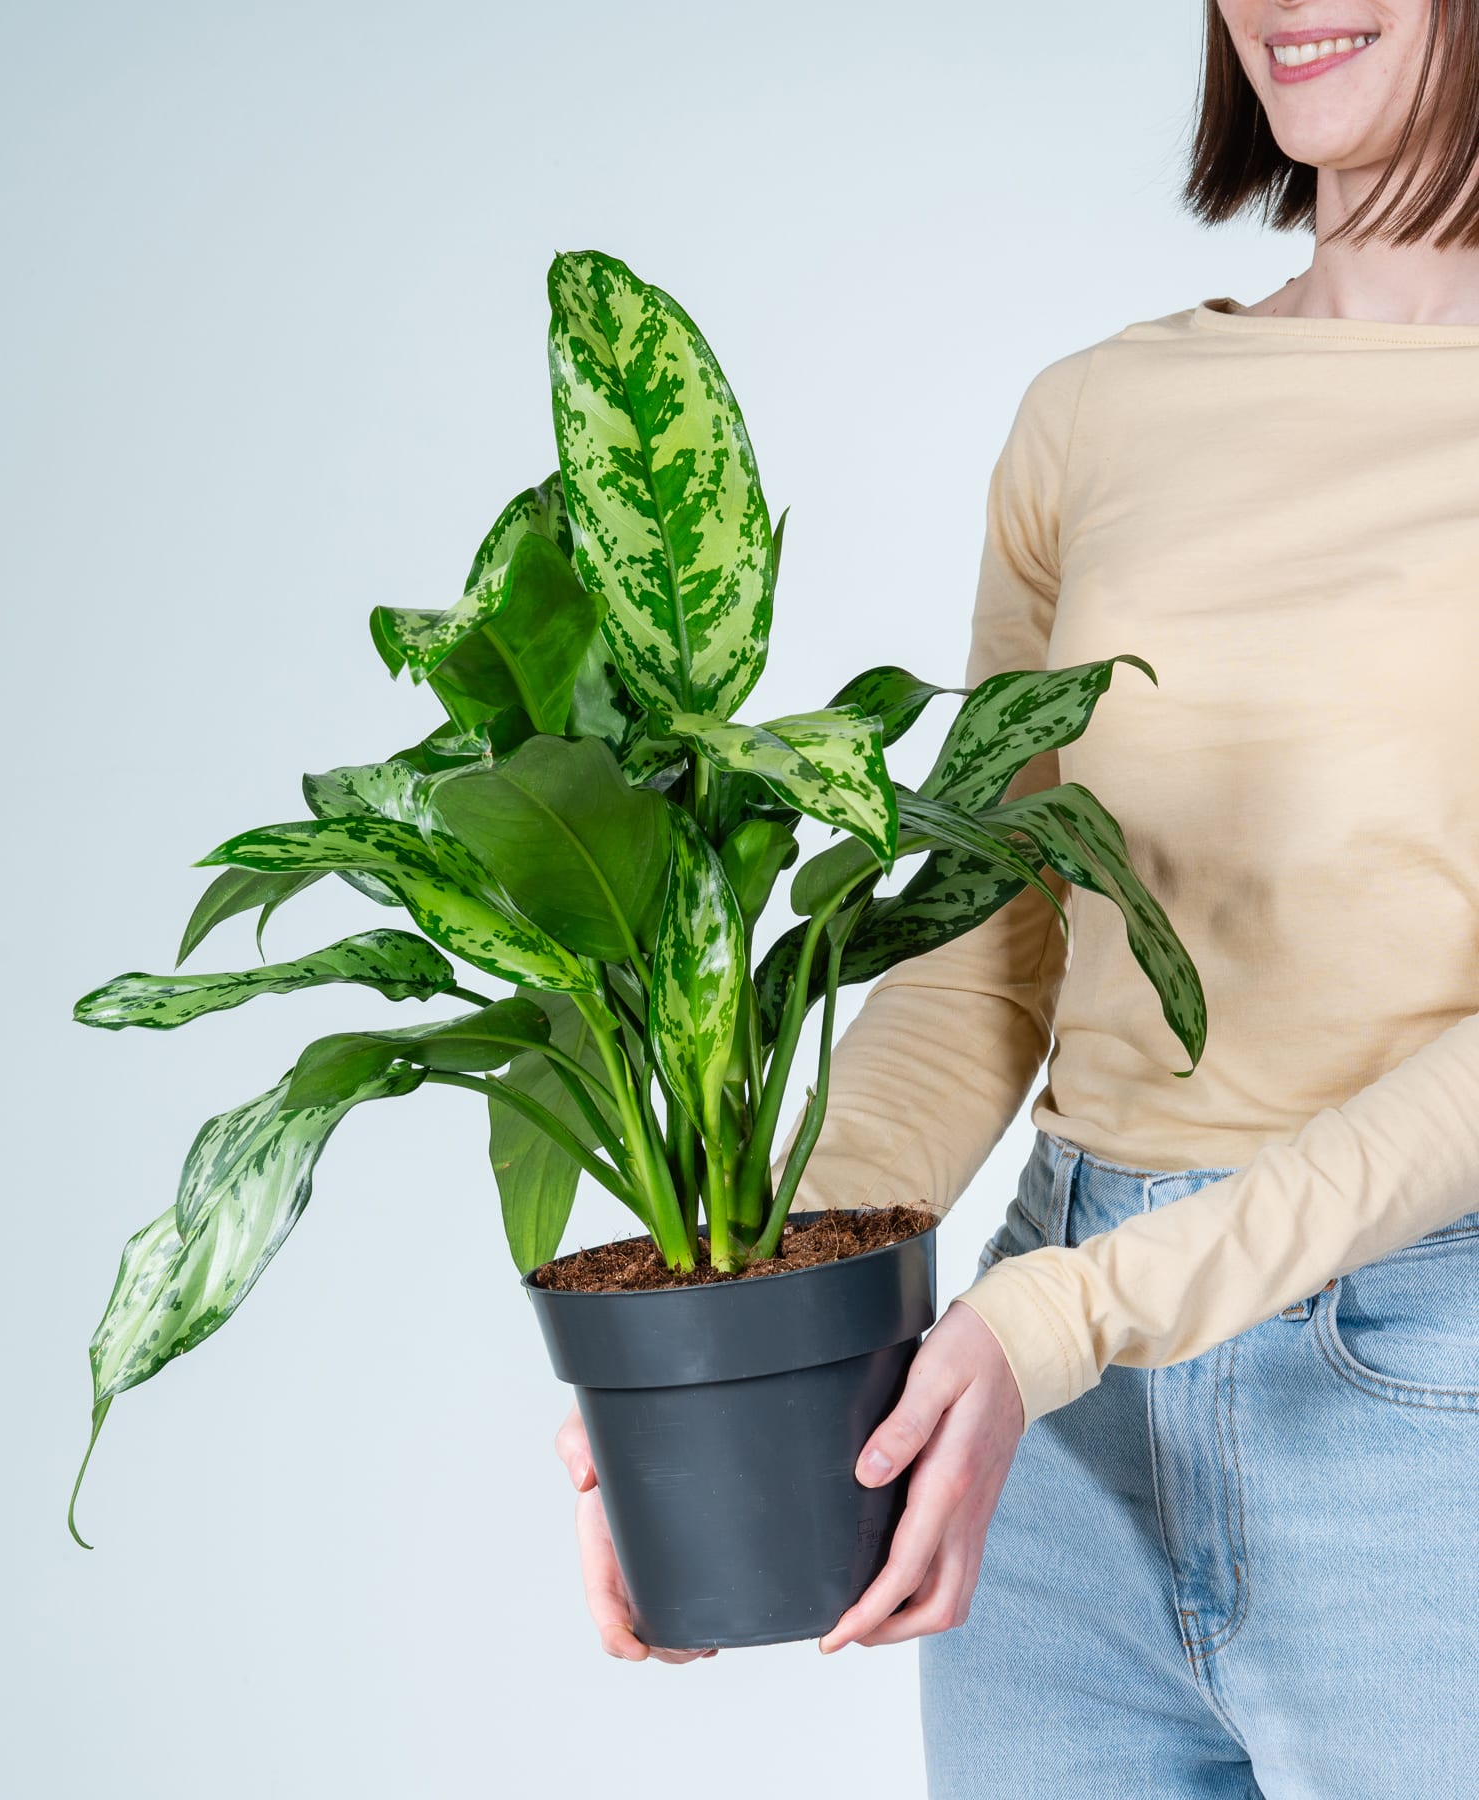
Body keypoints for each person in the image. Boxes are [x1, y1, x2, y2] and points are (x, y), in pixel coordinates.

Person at [554, 3, 1479, 1790]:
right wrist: (738, 1322)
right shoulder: (1098, 415)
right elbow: (989, 930)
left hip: (1423, 1387)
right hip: (1051, 1412)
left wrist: (1056, 1325)